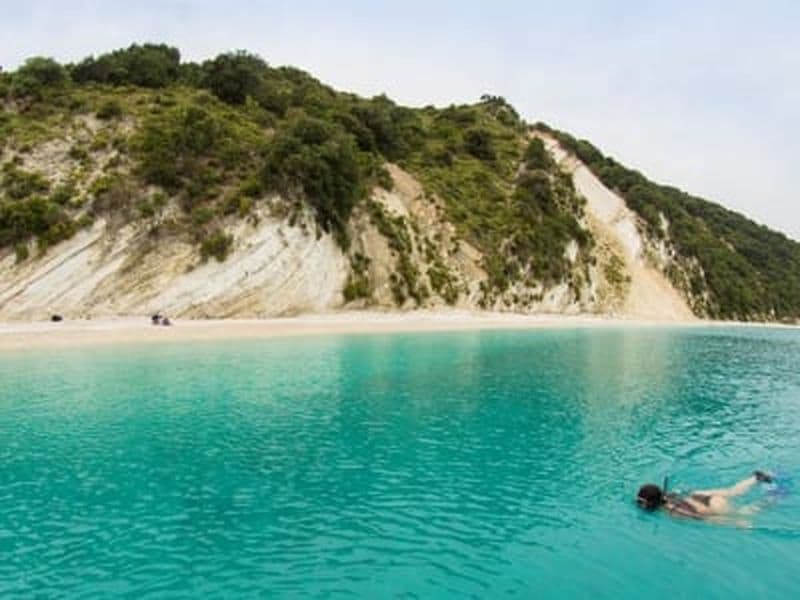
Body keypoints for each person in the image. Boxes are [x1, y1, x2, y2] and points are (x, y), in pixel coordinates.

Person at [636, 471, 774, 519]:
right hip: (701, 496)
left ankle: (770, 499)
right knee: (732, 491)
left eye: (641, 502)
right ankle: (757, 478)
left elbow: (698, 516)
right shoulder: (667, 494)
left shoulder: (671, 511)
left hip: (712, 507)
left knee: (740, 517)